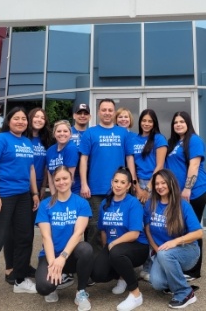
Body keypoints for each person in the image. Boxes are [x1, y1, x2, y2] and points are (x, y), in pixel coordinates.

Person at [0, 107, 39, 309]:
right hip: (3, 195)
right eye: (16, 118)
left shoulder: (27, 142)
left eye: (23, 119)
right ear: (8, 121)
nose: (20, 121)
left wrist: (35, 193)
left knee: (25, 238)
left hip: (23, 196)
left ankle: (19, 280)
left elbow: (30, 170)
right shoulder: (0, 139)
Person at [4, 107, 52, 285]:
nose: (39, 119)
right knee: (11, 231)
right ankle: (10, 267)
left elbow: (45, 166)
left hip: (35, 188)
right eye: (36, 116)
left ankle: (22, 266)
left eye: (42, 117)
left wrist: (41, 188)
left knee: (27, 230)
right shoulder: (20, 139)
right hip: (16, 188)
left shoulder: (46, 140)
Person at [35, 165, 93, 310]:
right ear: (53, 182)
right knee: (44, 287)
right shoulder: (45, 205)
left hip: (70, 255)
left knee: (86, 249)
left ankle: (81, 292)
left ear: (71, 179)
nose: (61, 182)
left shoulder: (81, 203)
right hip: (51, 255)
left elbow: (78, 233)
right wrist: (53, 263)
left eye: (65, 178)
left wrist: (63, 257)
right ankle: (54, 284)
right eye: (57, 179)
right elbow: (46, 236)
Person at [79, 98, 134, 251]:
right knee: (95, 228)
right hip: (96, 189)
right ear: (98, 112)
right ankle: (96, 266)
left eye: (110, 110)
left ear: (114, 112)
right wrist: (84, 183)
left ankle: (115, 263)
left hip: (120, 189)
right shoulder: (90, 133)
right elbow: (83, 159)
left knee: (120, 226)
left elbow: (129, 158)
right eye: (104, 110)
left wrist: (133, 182)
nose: (107, 113)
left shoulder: (123, 133)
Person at [91, 167, 149, 311]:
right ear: (112, 182)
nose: (118, 185)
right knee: (97, 273)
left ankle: (135, 294)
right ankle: (122, 276)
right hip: (116, 248)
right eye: (116, 181)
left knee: (116, 252)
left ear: (128, 185)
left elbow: (135, 234)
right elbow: (103, 231)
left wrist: (113, 245)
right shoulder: (105, 204)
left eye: (122, 182)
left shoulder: (133, 203)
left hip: (137, 246)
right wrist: (107, 249)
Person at [144, 169, 203, 309]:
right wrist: (155, 248)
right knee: (157, 283)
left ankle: (185, 292)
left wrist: (174, 242)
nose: (160, 186)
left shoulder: (182, 205)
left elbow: (198, 233)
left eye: (163, 182)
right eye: (157, 183)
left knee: (165, 254)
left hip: (187, 250)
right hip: (163, 251)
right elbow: (147, 228)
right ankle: (177, 280)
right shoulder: (150, 204)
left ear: (171, 183)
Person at [165, 111, 206, 280]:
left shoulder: (194, 140)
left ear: (188, 123)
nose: (178, 124)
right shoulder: (175, 143)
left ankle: (194, 271)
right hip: (178, 195)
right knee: (181, 229)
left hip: (193, 193)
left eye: (182, 121)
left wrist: (187, 188)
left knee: (192, 229)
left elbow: (194, 166)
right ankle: (184, 264)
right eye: (175, 122)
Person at [127, 109, 168, 204]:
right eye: (144, 120)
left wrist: (148, 188)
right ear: (140, 122)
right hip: (138, 182)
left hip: (157, 182)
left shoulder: (159, 139)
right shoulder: (133, 140)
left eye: (150, 121)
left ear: (154, 123)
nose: (146, 124)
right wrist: (137, 187)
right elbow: (132, 165)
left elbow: (160, 165)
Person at [46, 120, 79, 196]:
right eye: (59, 131)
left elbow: (70, 177)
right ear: (54, 134)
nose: (62, 134)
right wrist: (54, 196)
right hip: (56, 192)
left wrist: (62, 199)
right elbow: (50, 177)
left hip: (71, 192)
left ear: (70, 134)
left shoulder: (71, 148)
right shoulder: (49, 151)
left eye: (65, 131)